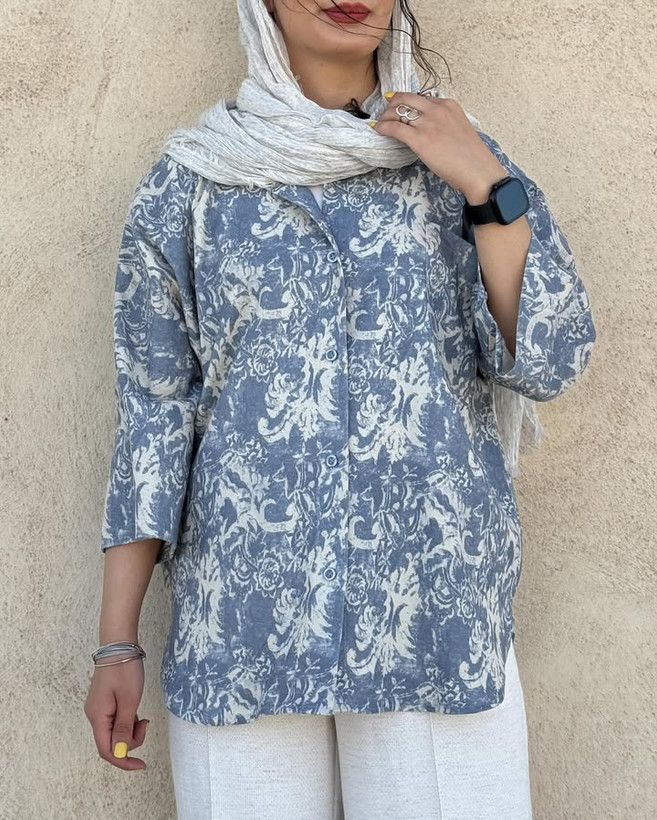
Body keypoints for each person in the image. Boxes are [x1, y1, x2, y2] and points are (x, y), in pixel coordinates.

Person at [84, 1, 597, 818]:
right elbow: (154, 414)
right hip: (245, 614)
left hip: (432, 602)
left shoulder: (457, 159)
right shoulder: (193, 181)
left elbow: (546, 357)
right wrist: (118, 641)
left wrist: (485, 186)